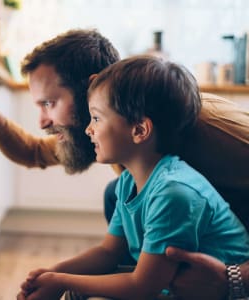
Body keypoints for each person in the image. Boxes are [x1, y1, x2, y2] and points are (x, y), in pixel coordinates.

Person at [0, 29, 249, 299]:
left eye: (50, 103)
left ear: (91, 86)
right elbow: (32, 152)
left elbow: (143, 284)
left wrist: (234, 278)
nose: (43, 121)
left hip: (233, 252)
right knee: (117, 194)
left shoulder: (211, 130)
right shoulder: (117, 135)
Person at [16, 56, 249, 300]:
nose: (88, 129)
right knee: (77, 291)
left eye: (96, 118)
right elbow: (109, 252)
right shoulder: (129, 181)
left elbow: (142, 286)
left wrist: (61, 281)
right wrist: (52, 274)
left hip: (224, 292)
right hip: (169, 283)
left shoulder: (173, 193)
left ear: (139, 130)